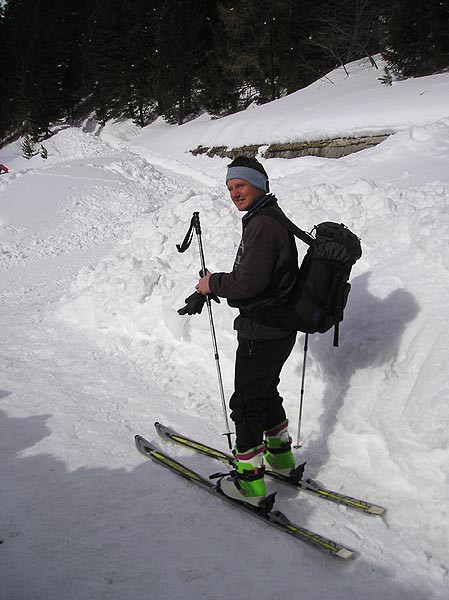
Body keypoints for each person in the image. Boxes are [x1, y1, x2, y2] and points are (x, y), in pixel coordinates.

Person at [196, 156, 298, 506]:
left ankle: (249, 484)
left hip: (263, 330)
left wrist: (212, 283)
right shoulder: (267, 218)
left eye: (240, 185)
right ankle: (282, 462)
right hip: (278, 327)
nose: (234, 193)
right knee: (266, 394)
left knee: (246, 404)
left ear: (259, 183)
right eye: (229, 188)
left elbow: (248, 282)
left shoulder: (264, 225)